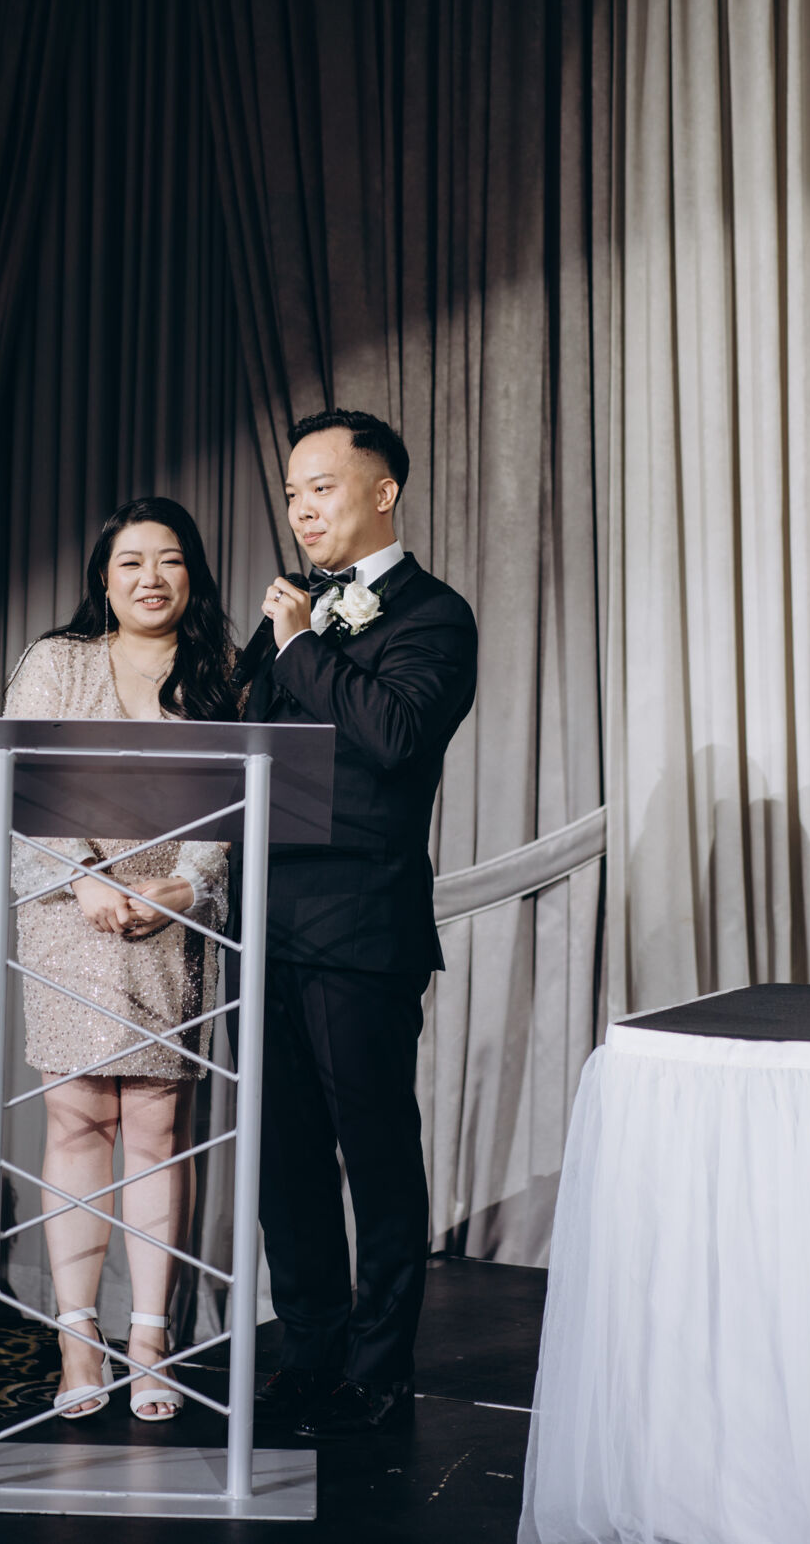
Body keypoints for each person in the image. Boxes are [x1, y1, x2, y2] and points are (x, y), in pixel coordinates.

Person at [240, 409, 478, 1436]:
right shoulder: (286, 616)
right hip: (261, 921)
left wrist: (298, 642)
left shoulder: (434, 616)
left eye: (322, 487)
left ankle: (379, 1366)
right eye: (293, 491)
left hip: (360, 926)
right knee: (283, 1157)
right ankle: (308, 1352)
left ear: (384, 491)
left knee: (374, 1153)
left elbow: (392, 735)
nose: (302, 508)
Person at [4, 498, 238, 1424]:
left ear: (193, 576)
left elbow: (240, 794)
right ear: (103, 579)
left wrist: (185, 886)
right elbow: (23, 778)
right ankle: (76, 1343)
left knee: (156, 1129)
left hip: (174, 922)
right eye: (131, 561)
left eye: (169, 560)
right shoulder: (55, 662)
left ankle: (150, 1343)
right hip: (70, 917)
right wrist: (83, 879)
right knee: (77, 1122)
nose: (151, 577)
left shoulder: (223, 670)